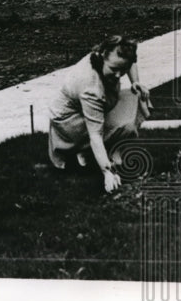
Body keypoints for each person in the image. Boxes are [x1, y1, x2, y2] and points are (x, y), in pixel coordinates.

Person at [48, 35, 152, 193]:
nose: (118, 75)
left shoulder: (109, 55)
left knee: (135, 97)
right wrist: (106, 172)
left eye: (122, 70)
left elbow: (130, 61)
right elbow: (95, 134)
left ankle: (99, 154)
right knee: (119, 127)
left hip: (87, 107)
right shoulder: (91, 87)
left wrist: (135, 82)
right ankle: (90, 155)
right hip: (69, 121)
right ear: (103, 56)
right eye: (114, 69)